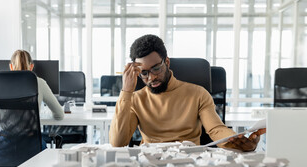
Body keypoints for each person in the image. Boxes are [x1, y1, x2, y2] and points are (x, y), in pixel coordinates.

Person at [109, 34, 265, 152]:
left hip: (190, 160)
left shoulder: (197, 94)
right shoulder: (135, 99)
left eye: (156, 68)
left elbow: (216, 130)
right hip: (149, 161)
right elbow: (118, 143)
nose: (151, 77)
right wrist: (126, 92)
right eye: (144, 73)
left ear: (167, 62)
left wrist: (237, 142)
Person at [0, 50, 64, 161]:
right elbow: (59, 114)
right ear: (31, 67)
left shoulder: (0, 84)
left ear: (11, 67)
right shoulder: (39, 83)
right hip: (32, 148)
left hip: (5, 150)